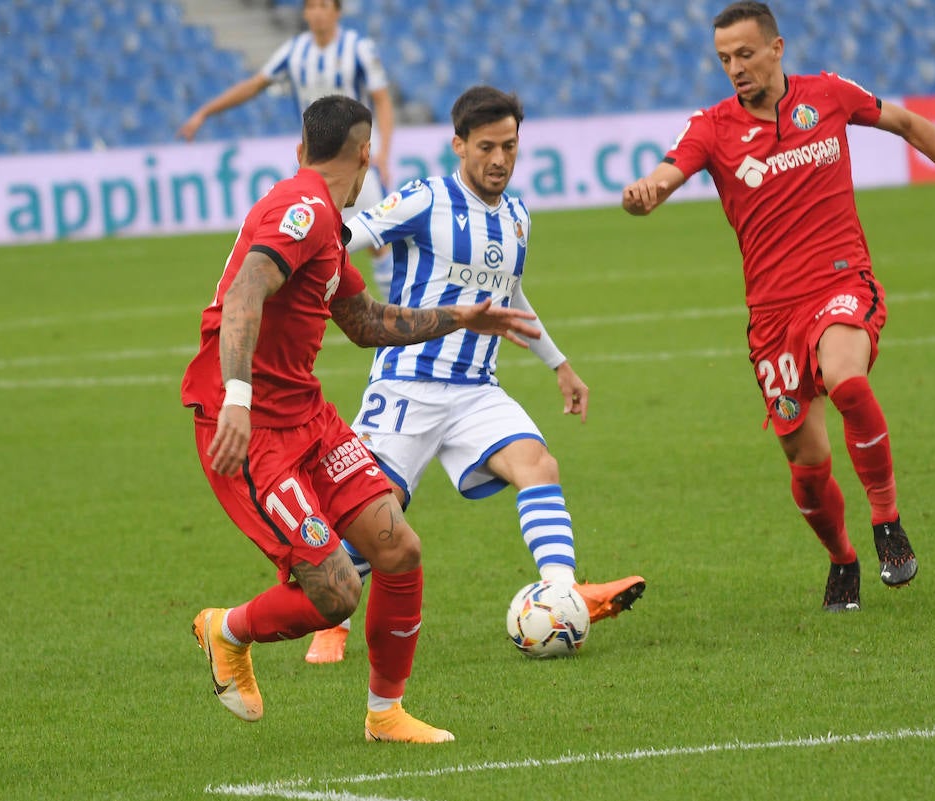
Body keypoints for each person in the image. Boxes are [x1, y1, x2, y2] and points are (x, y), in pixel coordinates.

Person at [621, 2, 935, 613]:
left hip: (841, 281)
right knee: (806, 465)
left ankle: (887, 522)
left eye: (746, 54)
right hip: (772, 316)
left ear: (777, 48)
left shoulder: (829, 95)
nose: (735, 67)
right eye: (724, 58)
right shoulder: (711, 127)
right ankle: (842, 558)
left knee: (845, 379)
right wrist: (647, 192)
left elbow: (910, 124)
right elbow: (668, 172)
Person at [181, 94, 540, 742]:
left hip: (307, 415)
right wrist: (236, 397)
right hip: (252, 430)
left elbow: (367, 322)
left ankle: (385, 713)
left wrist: (461, 315)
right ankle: (225, 629)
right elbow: (243, 293)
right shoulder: (305, 209)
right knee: (336, 592)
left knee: (398, 548)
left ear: (303, 149)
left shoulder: (322, 222)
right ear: (365, 154)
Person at [302, 85, 646, 664]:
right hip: (406, 384)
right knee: (374, 514)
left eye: (509, 146)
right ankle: (328, 621)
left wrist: (559, 364)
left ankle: (562, 591)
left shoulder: (516, 216)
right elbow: (344, 237)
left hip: (475, 389)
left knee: (539, 464)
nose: (499, 159)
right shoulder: (424, 198)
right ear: (458, 144)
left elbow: (510, 296)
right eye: (486, 146)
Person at [177, 0, 399, 297]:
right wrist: (205, 112)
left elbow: (381, 98)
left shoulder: (358, 49)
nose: (317, 12)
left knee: (379, 242)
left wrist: (383, 152)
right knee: (310, 241)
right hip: (315, 164)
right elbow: (254, 85)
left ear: (337, 12)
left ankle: (397, 314)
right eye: (311, 6)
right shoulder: (294, 51)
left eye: (323, 5)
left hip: (356, 165)